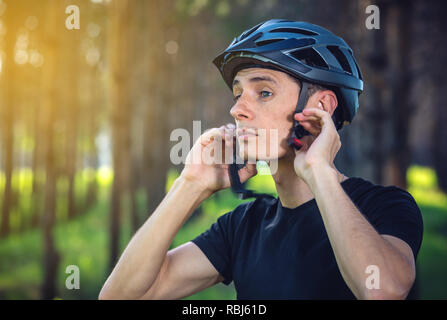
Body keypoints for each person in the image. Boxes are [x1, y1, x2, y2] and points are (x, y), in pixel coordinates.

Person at [99, 20, 423, 300]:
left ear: (321, 106)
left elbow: (383, 290)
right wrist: (191, 184)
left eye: (264, 92)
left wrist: (318, 172)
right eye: (238, 93)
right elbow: (121, 295)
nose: (236, 109)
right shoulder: (243, 227)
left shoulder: (384, 206)